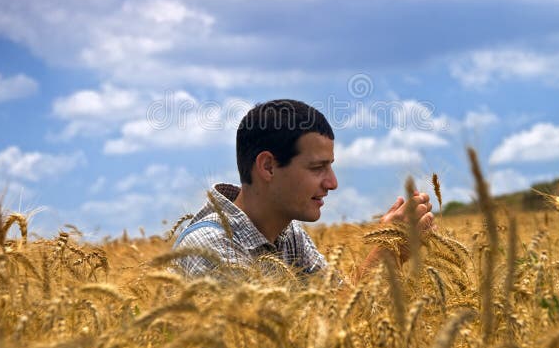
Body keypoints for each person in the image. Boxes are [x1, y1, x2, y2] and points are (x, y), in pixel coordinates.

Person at [173, 99, 435, 279]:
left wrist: (395, 252)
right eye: (317, 168)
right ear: (268, 167)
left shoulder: (290, 237)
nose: (332, 183)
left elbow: (337, 312)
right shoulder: (209, 249)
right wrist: (383, 253)